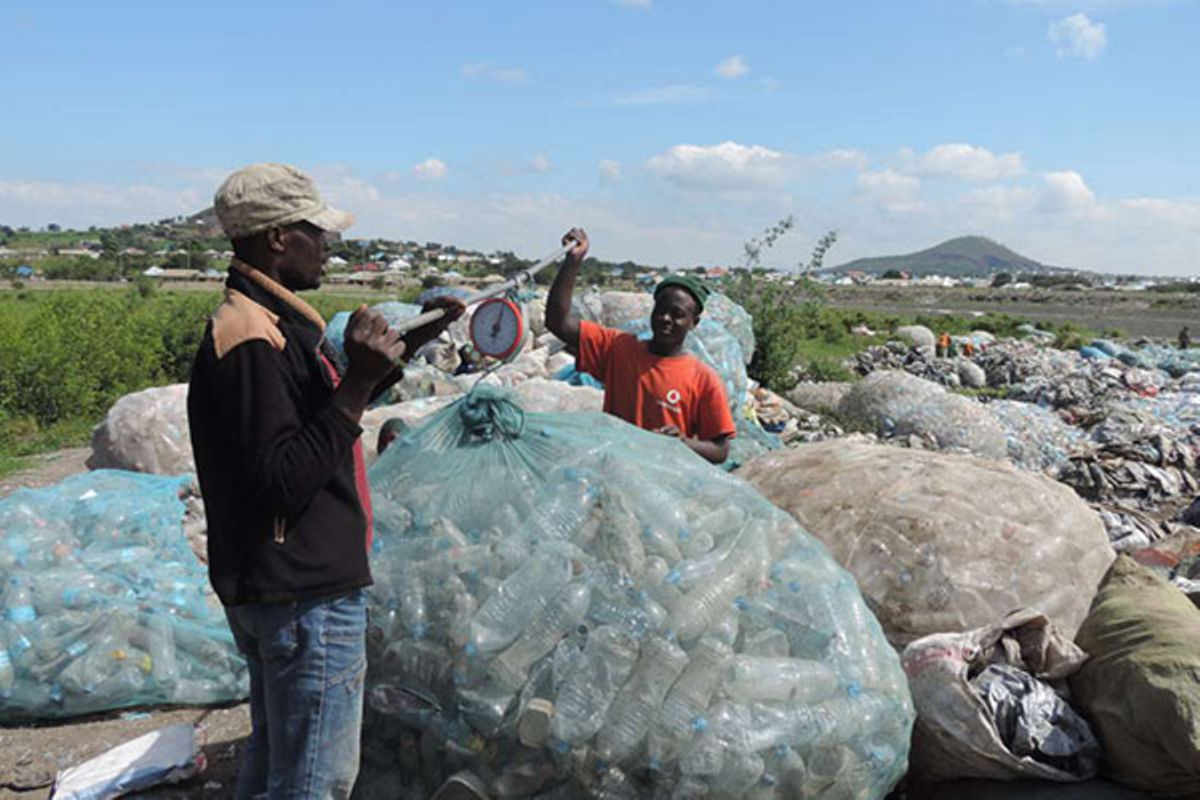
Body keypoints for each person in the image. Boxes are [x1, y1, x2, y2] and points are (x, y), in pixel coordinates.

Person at [187, 163, 463, 798]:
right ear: (279, 237)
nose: (329, 244)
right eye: (318, 231)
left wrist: (408, 345)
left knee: (278, 760)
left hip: (284, 586)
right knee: (316, 779)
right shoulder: (252, 339)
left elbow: (313, 415)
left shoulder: (269, 323)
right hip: (302, 594)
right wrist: (361, 382)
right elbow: (283, 479)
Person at [544, 228, 736, 464]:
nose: (666, 319)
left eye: (677, 314)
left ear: (693, 323)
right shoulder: (618, 349)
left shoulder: (703, 379)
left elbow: (720, 449)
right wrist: (572, 263)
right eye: (662, 310)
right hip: (614, 474)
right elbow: (558, 321)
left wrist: (683, 443)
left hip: (664, 487)